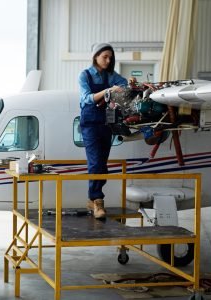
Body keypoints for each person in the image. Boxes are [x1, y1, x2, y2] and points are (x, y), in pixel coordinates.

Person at [78, 43, 128, 219]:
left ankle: (93, 201)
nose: (108, 60)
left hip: (106, 122)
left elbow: (125, 84)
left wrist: (120, 90)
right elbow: (87, 98)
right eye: (105, 56)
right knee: (95, 162)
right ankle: (97, 200)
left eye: (110, 58)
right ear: (96, 56)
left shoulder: (111, 76)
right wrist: (108, 90)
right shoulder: (84, 75)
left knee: (103, 164)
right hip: (90, 123)